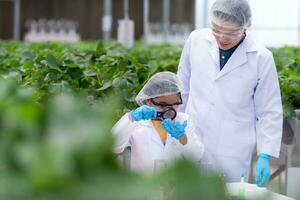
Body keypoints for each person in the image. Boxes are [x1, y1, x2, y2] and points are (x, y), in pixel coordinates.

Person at [177, 0, 282, 187]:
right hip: (192, 135)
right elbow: (182, 87)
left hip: (232, 146)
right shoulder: (196, 40)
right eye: (216, 30)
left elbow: (269, 110)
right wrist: (175, 122)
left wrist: (265, 154)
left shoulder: (261, 57)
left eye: (231, 33)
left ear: (245, 27)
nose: (222, 38)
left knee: (228, 193)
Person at [112, 72, 204, 175]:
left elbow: (196, 156)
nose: (170, 110)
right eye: (163, 105)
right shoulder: (136, 122)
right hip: (144, 186)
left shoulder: (183, 121)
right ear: (149, 101)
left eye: (175, 105)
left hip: (174, 187)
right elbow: (112, 145)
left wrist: (182, 138)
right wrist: (130, 118)